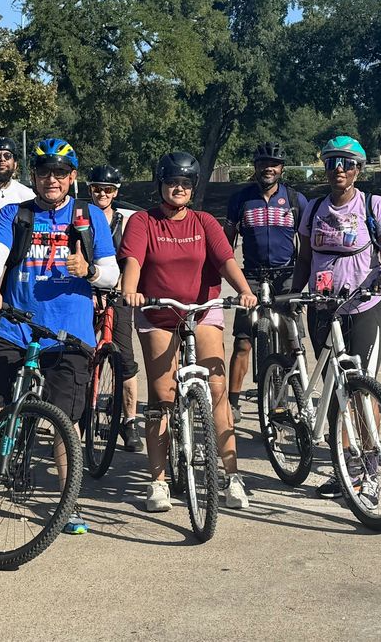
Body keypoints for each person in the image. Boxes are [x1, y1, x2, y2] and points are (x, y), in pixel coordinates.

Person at [0, 138, 120, 535]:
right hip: (15, 326)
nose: (51, 179)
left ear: (72, 177)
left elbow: (112, 275)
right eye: (43, 172)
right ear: (33, 176)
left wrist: (87, 270)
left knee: (65, 424)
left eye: (59, 173)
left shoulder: (89, 216)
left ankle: (68, 501)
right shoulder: (15, 214)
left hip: (69, 335)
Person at [120, 151, 258, 513]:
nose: (178, 189)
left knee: (217, 389)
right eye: (172, 182)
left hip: (202, 311)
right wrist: (129, 290)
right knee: (162, 396)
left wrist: (243, 289)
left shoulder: (204, 222)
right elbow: (133, 260)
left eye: (185, 184)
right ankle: (158, 482)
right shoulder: (142, 221)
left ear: (193, 188)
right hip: (158, 314)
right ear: (161, 184)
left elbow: (226, 260)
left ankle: (232, 476)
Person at [292, 136, 381, 499]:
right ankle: (344, 468)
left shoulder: (374, 204)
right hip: (323, 308)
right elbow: (305, 258)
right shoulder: (314, 208)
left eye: (347, 163)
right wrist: (293, 294)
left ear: (358, 168)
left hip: (364, 306)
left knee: (362, 387)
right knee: (336, 391)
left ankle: (368, 471)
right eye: (332, 162)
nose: (338, 169)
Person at [225, 142, 307, 422]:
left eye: (273, 164)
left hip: (286, 274)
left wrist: (303, 281)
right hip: (252, 275)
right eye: (262, 163)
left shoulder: (296, 200)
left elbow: (306, 244)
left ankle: (284, 398)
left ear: (282, 168)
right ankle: (233, 402)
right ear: (255, 167)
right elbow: (226, 244)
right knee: (243, 343)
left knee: (290, 340)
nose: (268, 168)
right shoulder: (240, 199)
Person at [87, 164, 143, 453]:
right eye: (97, 188)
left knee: (125, 359)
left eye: (108, 189)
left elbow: (134, 257)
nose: (102, 194)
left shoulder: (128, 220)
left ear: (116, 192)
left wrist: (126, 287)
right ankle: (79, 414)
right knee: (77, 353)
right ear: (89, 189)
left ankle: (129, 420)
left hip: (119, 294)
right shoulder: (81, 217)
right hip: (87, 292)